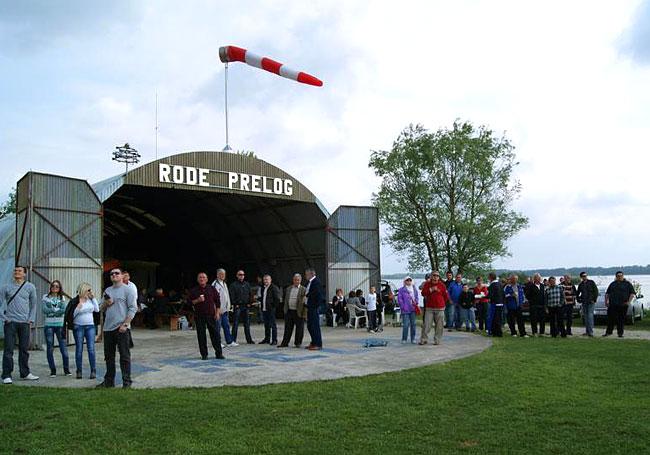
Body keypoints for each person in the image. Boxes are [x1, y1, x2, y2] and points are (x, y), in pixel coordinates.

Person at [96, 268, 138, 388]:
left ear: (122, 276)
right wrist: (106, 303)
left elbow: (133, 308)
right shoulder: (107, 290)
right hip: (108, 328)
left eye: (117, 273)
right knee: (109, 357)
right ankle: (109, 381)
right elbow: (100, 308)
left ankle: (126, 382)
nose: (114, 275)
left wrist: (125, 324)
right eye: (112, 274)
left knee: (124, 356)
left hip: (121, 328)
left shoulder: (128, 290)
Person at [1, 266, 38, 384]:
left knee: (24, 349)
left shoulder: (30, 287)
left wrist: (30, 319)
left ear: (24, 274)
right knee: (8, 349)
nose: (17, 272)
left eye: (19, 271)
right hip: (10, 322)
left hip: (24, 323)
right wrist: (4, 318)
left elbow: (34, 304)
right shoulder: (6, 287)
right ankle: (6, 375)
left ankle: (25, 373)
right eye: (15, 271)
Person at [186, 272, 225, 361]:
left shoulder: (211, 288)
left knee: (215, 335)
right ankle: (204, 354)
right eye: (200, 277)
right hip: (199, 316)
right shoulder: (194, 290)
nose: (202, 279)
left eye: (204, 277)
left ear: (207, 279)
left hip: (211, 315)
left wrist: (217, 313)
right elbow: (188, 303)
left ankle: (219, 353)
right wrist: (197, 300)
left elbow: (217, 301)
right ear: (197, 279)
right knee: (201, 335)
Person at [65, 282, 99, 379]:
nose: (90, 292)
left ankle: (93, 370)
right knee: (79, 349)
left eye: (90, 290)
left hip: (90, 326)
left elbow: (97, 310)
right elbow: (71, 315)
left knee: (91, 349)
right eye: (88, 290)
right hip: (78, 326)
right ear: (83, 290)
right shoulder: (75, 301)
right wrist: (78, 308)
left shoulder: (90, 300)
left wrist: (93, 298)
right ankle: (79, 371)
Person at [42, 280, 71, 377]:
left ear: (59, 288)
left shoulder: (62, 298)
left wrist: (52, 311)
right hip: (49, 325)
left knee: (63, 348)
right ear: (50, 287)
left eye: (57, 286)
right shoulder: (45, 297)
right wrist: (56, 310)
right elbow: (44, 310)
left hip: (60, 325)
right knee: (50, 348)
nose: (54, 287)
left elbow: (64, 310)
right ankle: (53, 370)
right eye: (53, 286)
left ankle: (66, 370)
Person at [419, 271, 449, 345]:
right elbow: (423, 293)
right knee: (427, 325)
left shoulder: (442, 285)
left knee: (439, 326)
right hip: (429, 308)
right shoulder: (427, 284)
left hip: (440, 308)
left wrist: (442, 303)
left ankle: (437, 340)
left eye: (437, 276)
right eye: (434, 275)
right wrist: (431, 289)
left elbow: (446, 296)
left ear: (439, 277)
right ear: (431, 276)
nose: (435, 277)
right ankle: (423, 339)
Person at [603, 271, 635, 338]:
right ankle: (608, 332)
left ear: (623, 276)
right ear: (616, 276)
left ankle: (620, 333)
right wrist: (606, 302)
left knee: (621, 320)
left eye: (621, 276)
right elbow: (607, 293)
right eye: (618, 276)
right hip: (612, 304)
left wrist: (628, 302)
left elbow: (632, 294)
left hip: (623, 305)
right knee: (610, 319)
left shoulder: (627, 284)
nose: (619, 277)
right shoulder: (612, 284)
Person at [279, 273, 307, 348]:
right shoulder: (288, 288)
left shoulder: (304, 289)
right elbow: (285, 299)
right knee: (287, 328)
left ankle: (298, 343)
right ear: (293, 280)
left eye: (298, 280)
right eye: (295, 280)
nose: (296, 281)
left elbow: (305, 301)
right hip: (289, 311)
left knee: (299, 328)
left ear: (300, 280)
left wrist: (304, 313)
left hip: (299, 311)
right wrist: (285, 309)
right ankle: (285, 343)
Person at [212, 269, 237, 347]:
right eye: (221, 274)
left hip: (225, 310)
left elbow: (226, 296)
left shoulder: (224, 283)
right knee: (217, 327)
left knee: (226, 326)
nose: (222, 275)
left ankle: (229, 341)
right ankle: (217, 342)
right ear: (217, 275)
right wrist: (217, 310)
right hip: (218, 310)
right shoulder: (215, 284)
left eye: (224, 274)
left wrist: (228, 306)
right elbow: (213, 299)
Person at [229, 270, 254, 344]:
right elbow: (231, 295)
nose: (241, 276)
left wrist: (250, 303)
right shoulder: (233, 285)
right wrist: (234, 303)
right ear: (237, 275)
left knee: (247, 324)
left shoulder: (247, 284)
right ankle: (233, 340)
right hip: (238, 306)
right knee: (235, 324)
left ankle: (249, 340)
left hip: (246, 306)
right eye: (240, 274)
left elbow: (250, 294)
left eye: (243, 274)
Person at [305, 268, 324, 350]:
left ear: (311, 274)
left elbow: (318, 295)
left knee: (315, 326)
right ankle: (313, 342)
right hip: (309, 306)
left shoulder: (316, 282)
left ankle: (318, 344)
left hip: (314, 307)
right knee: (310, 326)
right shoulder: (310, 282)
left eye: (307, 274)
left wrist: (316, 306)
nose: (305, 276)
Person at [258, 274, 281, 345]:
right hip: (264, 309)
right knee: (266, 325)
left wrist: (273, 306)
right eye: (264, 280)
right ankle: (267, 339)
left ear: (270, 280)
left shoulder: (274, 288)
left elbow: (277, 299)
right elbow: (263, 297)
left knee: (273, 325)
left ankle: (274, 340)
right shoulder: (263, 288)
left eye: (267, 279)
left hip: (271, 309)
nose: (265, 281)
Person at [576, 272, 599, 337]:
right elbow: (578, 292)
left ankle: (591, 332)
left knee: (590, 316)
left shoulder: (591, 282)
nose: (585, 277)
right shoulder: (581, 284)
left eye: (585, 276)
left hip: (591, 302)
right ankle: (587, 331)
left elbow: (596, 291)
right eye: (583, 276)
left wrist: (594, 299)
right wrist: (578, 299)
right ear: (581, 277)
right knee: (585, 317)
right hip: (584, 302)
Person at [397, 277, 419, 343]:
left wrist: (416, 302)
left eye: (410, 280)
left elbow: (416, 297)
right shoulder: (401, 290)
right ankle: (404, 339)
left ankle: (413, 338)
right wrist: (403, 306)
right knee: (406, 325)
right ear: (405, 281)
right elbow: (399, 299)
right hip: (405, 309)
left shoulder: (414, 289)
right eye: (407, 280)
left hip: (413, 309)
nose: (408, 281)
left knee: (413, 324)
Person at [486, 272, 504, 337]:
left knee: (493, 319)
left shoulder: (492, 285)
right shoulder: (500, 284)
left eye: (488, 277)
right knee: (498, 319)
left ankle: (495, 332)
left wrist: (483, 296)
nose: (488, 278)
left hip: (495, 304)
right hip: (500, 303)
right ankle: (499, 332)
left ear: (491, 277)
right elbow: (503, 294)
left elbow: (490, 295)